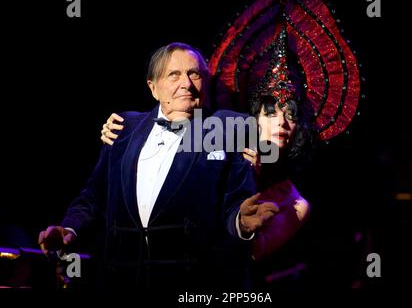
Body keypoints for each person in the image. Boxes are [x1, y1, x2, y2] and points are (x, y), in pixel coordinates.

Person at [38, 42, 280, 292]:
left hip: (192, 286)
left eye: (194, 73)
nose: (186, 83)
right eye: (174, 74)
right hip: (120, 281)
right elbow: (93, 197)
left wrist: (241, 222)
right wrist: (70, 229)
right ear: (153, 88)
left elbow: (234, 204)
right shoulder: (123, 127)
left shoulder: (229, 127)